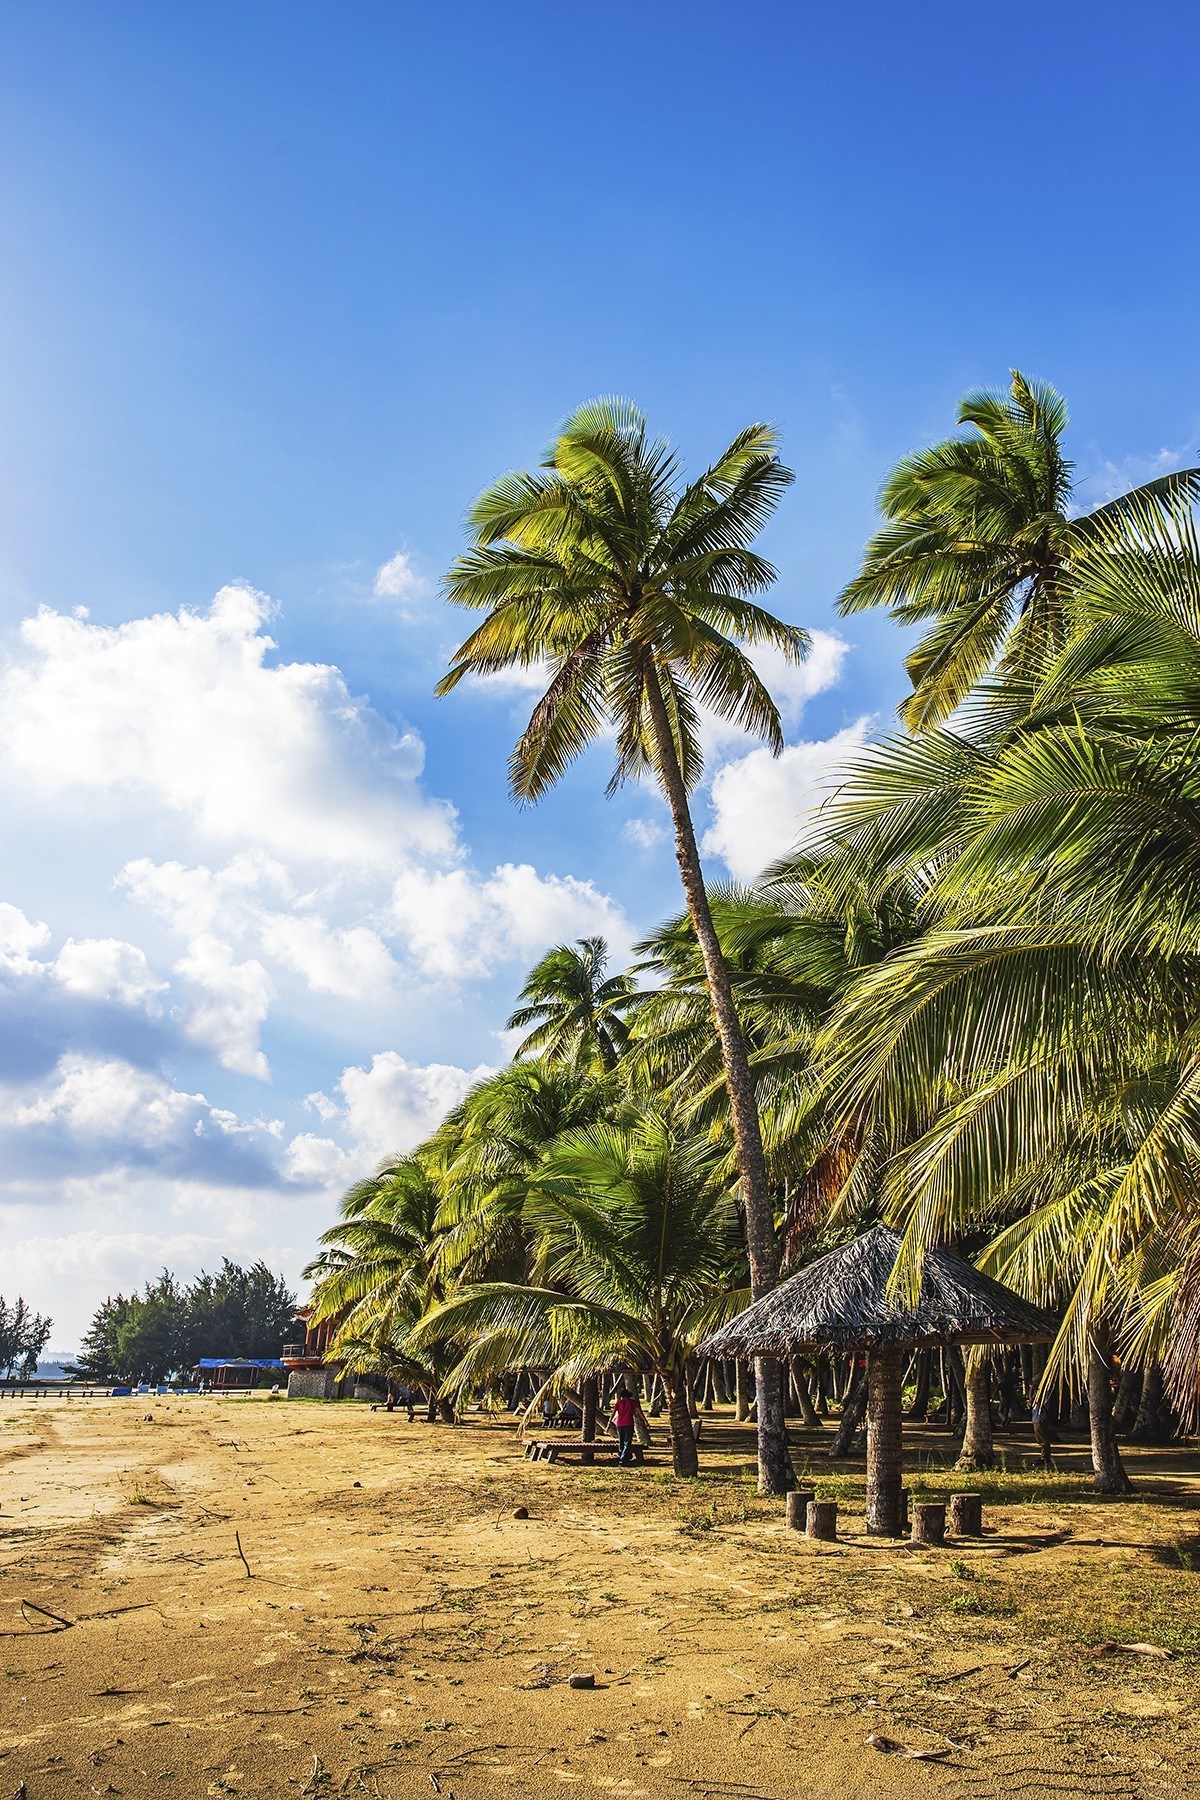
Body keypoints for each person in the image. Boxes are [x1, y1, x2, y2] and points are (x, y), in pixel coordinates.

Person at [610, 1384, 647, 1466]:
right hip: (629, 1424)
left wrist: (608, 1424)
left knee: (621, 1441)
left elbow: (612, 1414)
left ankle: (622, 1456)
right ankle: (623, 1458)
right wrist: (645, 1421)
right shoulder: (633, 1402)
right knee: (627, 1442)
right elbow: (639, 1413)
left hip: (619, 1424)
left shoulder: (619, 1403)